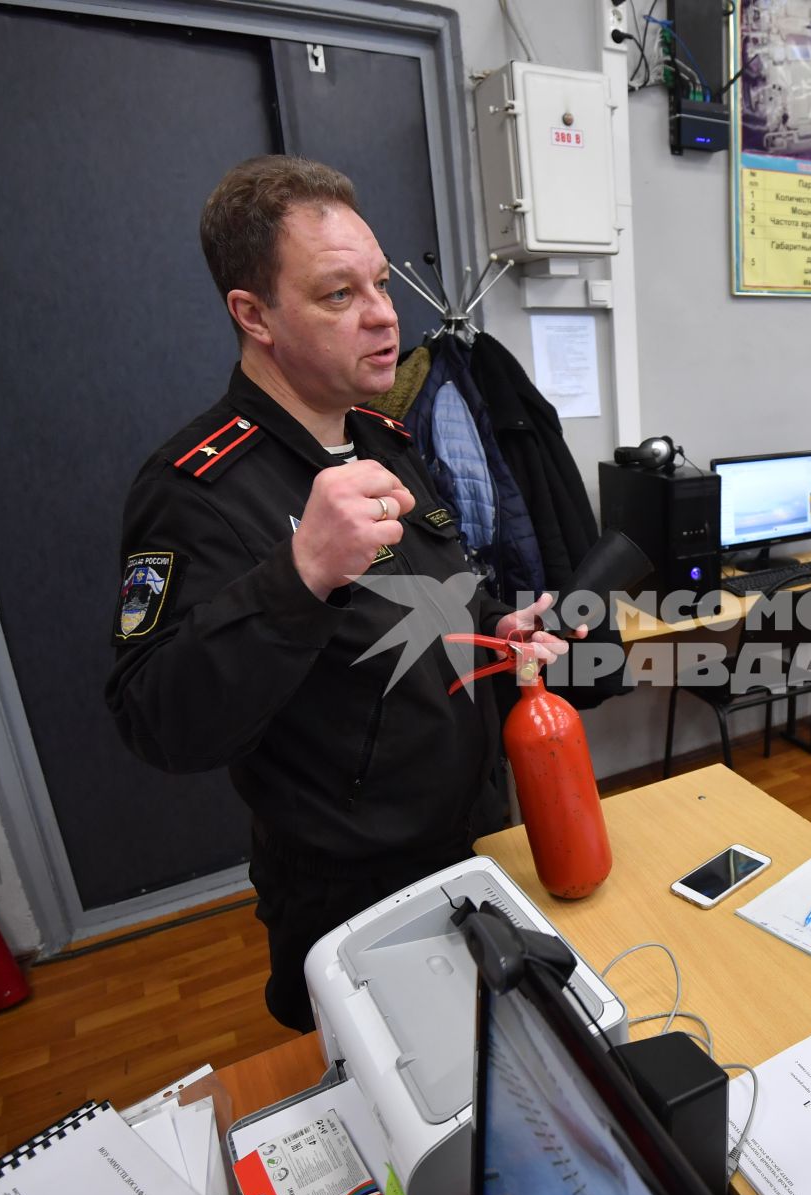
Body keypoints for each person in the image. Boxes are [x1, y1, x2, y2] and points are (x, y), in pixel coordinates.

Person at [106, 156, 577, 1031]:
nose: (383, 315)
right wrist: (298, 577)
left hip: (476, 837)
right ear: (254, 315)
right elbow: (155, 719)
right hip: (355, 889)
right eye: (337, 295)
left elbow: (430, 597)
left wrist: (492, 629)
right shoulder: (195, 487)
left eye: (381, 282)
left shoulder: (385, 436)